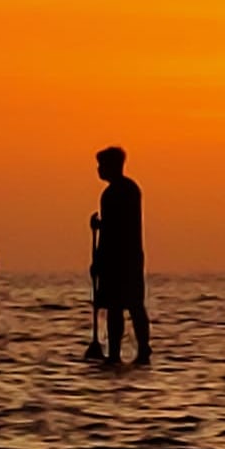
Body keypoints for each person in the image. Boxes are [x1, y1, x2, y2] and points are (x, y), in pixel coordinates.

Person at [91, 147, 151, 365]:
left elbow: (113, 231)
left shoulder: (114, 193)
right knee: (134, 305)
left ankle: (116, 353)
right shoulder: (130, 189)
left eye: (101, 165)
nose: (98, 170)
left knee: (119, 306)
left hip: (118, 259)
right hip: (132, 256)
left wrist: (98, 260)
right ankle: (142, 351)